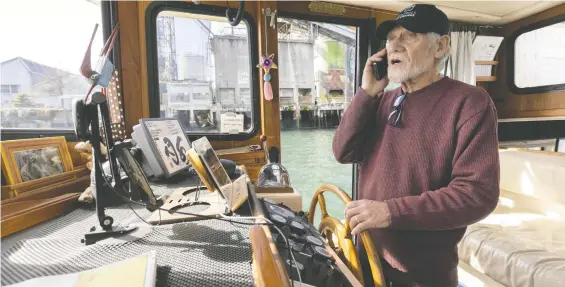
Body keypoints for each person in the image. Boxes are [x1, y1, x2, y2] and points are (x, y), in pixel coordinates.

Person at [333, 4, 500, 287]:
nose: (394, 46)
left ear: (441, 46)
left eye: (409, 36)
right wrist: (366, 93)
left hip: (422, 276)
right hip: (365, 261)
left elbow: (477, 194)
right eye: (391, 38)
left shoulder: (470, 102)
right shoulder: (381, 100)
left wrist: (389, 211)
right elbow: (343, 152)